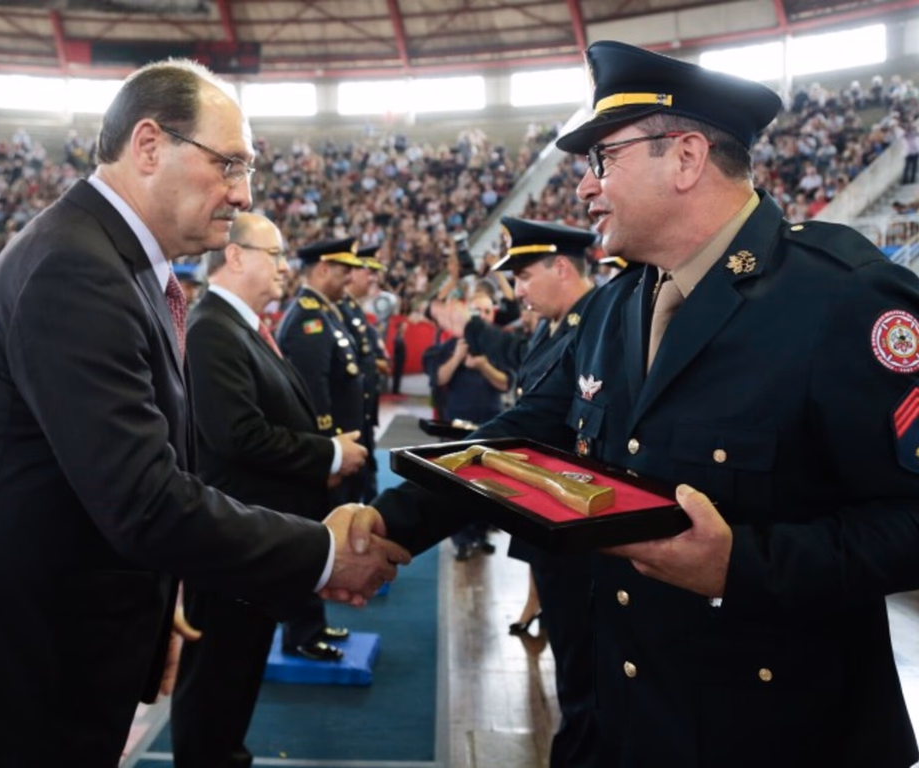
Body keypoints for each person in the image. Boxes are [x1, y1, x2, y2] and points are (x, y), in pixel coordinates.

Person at [368, 40, 919, 768]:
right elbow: (529, 435)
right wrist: (390, 524)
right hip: (626, 713)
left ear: (686, 157)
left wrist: (742, 566)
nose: (587, 189)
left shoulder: (842, 299)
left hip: (777, 732)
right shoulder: (617, 304)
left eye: (603, 160)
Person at [0, 59, 409, 768]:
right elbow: (142, 498)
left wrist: (159, 595)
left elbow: (111, 479)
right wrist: (323, 556)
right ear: (147, 146)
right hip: (21, 661)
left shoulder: (119, 264)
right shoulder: (75, 271)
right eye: (230, 164)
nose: (243, 192)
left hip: (62, 637)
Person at [172, 213, 371, 768]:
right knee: (216, 684)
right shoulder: (213, 326)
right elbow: (237, 435)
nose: (286, 266)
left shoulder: (238, 324)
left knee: (234, 679)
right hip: (232, 539)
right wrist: (329, 453)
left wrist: (325, 447)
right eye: (275, 254)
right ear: (235, 256)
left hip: (252, 535)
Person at [466, 216, 601, 768]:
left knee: (585, 673)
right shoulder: (547, 328)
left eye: (523, 276)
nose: (516, 291)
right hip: (546, 517)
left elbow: (538, 420)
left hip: (582, 523)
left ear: (561, 266)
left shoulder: (597, 324)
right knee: (570, 664)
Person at [277, 237, 368, 508]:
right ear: (323, 270)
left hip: (344, 445)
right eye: (345, 271)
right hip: (333, 450)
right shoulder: (309, 319)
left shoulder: (326, 313)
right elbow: (313, 393)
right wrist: (327, 456)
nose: (350, 279)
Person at [424, 290, 510, 560]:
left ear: (492, 314)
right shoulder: (447, 347)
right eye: (477, 311)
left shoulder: (500, 346)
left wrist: (483, 366)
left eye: (486, 311)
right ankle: (462, 539)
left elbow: (506, 383)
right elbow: (438, 379)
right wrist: (458, 358)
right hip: (457, 426)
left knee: (489, 483)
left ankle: (482, 532)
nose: (482, 317)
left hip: (493, 423)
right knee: (458, 484)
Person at [340, 245, 387, 501]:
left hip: (363, 415)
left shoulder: (354, 309)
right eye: (368, 271)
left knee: (366, 481)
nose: (373, 278)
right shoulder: (342, 311)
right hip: (351, 421)